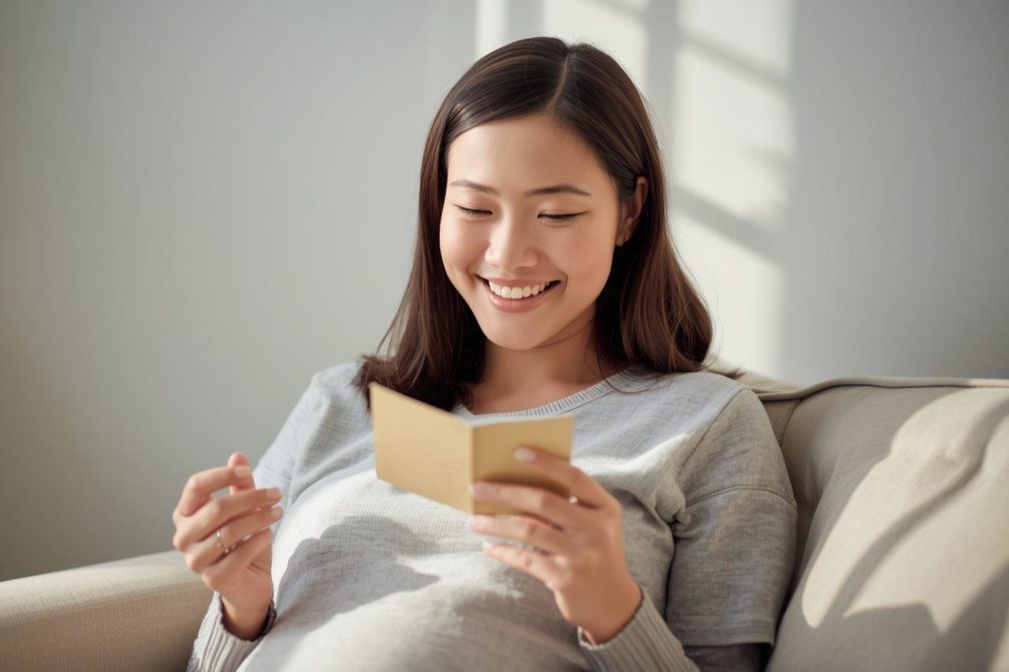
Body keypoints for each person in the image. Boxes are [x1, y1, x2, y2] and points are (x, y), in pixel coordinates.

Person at [172, 36, 797, 671]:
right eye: (474, 207)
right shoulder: (342, 403)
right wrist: (242, 607)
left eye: (554, 214)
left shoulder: (706, 424)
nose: (507, 254)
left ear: (629, 212)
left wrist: (612, 607)